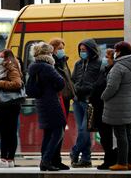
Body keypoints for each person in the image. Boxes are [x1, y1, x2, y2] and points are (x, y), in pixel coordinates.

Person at [101, 41, 131, 171]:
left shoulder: (119, 67)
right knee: (127, 134)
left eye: (116, 51)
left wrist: (103, 96)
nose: (115, 53)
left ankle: (122, 163)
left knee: (120, 134)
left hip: (117, 105)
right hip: (129, 103)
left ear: (120, 52)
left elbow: (112, 87)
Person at [26, 42, 65, 171]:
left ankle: (45, 160)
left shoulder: (33, 66)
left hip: (41, 102)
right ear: (47, 54)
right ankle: (47, 160)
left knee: (48, 133)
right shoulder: (47, 67)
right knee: (58, 131)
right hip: (51, 102)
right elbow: (61, 82)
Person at [0, 49, 24, 168]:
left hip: (7, 105)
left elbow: (17, 83)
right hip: (11, 105)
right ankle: (10, 160)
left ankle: (3, 159)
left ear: (7, 57)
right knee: (11, 133)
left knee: (5, 133)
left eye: (1, 56)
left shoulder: (11, 68)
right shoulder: (8, 68)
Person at [70, 39, 101, 168]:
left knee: (84, 130)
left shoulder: (99, 64)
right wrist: (75, 90)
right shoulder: (78, 64)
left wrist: (89, 89)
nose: (82, 52)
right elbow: (73, 80)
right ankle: (86, 159)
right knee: (83, 131)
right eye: (81, 50)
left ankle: (75, 151)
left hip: (90, 102)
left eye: (84, 50)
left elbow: (100, 82)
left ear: (91, 50)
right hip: (77, 101)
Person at [88, 48, 117, 170]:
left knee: (107, 136)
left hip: (105, 108)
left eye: (107, 57)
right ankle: (108, 159)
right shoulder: (105, 71)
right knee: (104, 137)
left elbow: (106, 89)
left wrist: (99, 97)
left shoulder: (112, 72)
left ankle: (109, 160)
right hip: (99, 107)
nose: (105, 59)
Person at [49, 38, 75, 170]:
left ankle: (56, 159)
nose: (62, 50)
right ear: (52, 49)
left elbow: (68, 80)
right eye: (59, 48)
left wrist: (72, 94)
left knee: (60, 131)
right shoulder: (52, 63)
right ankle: (52, 160)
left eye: (62, 48)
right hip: (57, 99)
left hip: (65, 99)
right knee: (56, 131)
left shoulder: (62, 61)